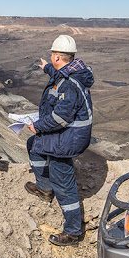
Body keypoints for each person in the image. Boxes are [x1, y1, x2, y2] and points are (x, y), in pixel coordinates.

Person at [25, 34, 94, 246]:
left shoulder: (69, 84)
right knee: (34, 146)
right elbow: (58, 72)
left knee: (63, 180)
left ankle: (73, 232)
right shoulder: (70, 71)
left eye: (52, 56)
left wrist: (37, 126)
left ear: (57, 57)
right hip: (67, 134)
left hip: (68, 138)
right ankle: (45, 189)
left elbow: (60, 118)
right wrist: (47, 68)